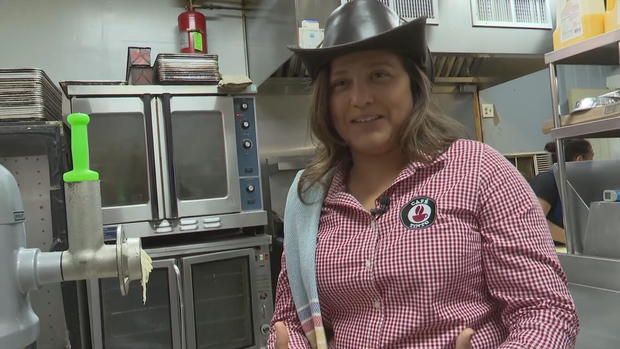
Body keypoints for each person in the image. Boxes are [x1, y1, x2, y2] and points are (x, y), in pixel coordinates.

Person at [269, 1, 579, 348]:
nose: (359, 98)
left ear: (414, 86)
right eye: (341, 83)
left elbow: (544, 309)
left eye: (379, 75)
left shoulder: (480, 172)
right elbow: (291, 320)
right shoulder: (308, 197)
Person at [530, 139, 594, 244]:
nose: (593, 163)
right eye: (592, 157)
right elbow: (534, 221)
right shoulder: (547, 180)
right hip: (552, 250)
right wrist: (572, 240)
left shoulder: (573, 183)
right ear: (580, 159)